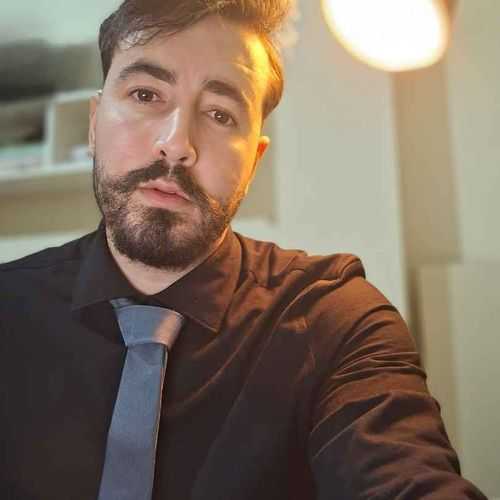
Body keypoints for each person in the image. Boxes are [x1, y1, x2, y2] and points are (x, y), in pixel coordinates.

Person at [0, 1, 487, 499]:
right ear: (94, 124)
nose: (176, 144)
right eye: (146, 94)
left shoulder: (336, 319)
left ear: (254, 161)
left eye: (219, 114)